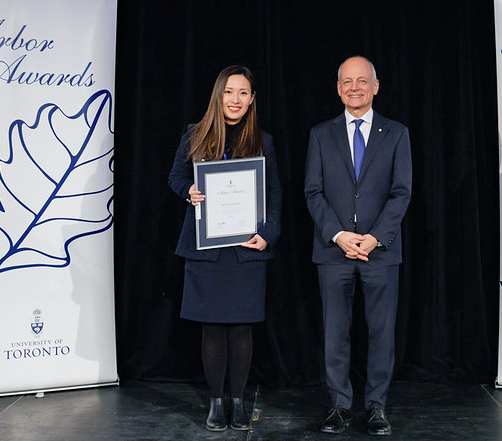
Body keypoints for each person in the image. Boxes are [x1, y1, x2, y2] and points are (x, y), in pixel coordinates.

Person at [168, 65, 281, 432]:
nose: (235, 99)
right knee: (213, 329)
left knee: (242, 328)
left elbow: (274, 193)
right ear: (219, 96)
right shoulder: (195, 135)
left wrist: (268, 233)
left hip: (247, 248)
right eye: (229, 92)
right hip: (206, 249)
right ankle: (217, 402)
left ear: (252, 100)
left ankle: (238, 400)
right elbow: (176, 176)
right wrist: (189, 192)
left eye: (243, 93)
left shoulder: (263, 140)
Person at [304, 56, 412, 436]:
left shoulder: (396, 133)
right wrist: (339, 235)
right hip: (334, 252)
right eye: (347, 81)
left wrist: (375, 236)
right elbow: (313, 192)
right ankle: (338, 406)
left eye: (362, 81)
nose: (354, 87)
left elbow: (401, 193)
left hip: (380, 252)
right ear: (338, 88)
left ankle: (377, 407)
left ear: (375, 86)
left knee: (381, 333)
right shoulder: (321, 134)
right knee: (336, 332)